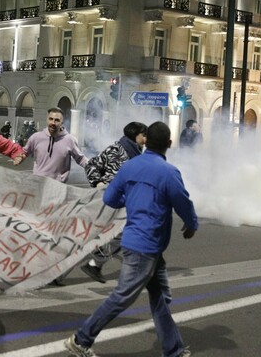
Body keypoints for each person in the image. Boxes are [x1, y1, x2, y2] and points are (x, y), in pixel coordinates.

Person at [64, 121, 198, 357]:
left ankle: (173, 350)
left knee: (160, 298)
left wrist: (134, 197)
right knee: (122, 297)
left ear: (147, 141)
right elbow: (183, 203)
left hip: (144, 245)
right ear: (169, 143)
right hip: (144, 247)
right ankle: (81, 339)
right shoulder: (169, 172)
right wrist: (191, 224)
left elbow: (111, 199)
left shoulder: (130, 167)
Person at [81, 122, 148, 283]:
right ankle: (93, 264)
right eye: (143, 135)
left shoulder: (138, 154)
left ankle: (89, 265)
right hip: (108, 198)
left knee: (99, 235)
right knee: (118, 234)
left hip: (122, 201)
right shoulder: (116, 148)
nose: (146, 138)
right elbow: (91, 165)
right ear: (135, 135)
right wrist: (98, 183)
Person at [24, 107, 88, 183]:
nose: (53, 123)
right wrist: (16, 155)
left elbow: (80, 159)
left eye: (57, 120)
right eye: (50, 119)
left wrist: (95, 166)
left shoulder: (70, 139)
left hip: (57, 187)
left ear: (62, 122)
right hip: (38, 184)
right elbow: (24, 152)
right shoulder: (36, 137)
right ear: (47, 119)